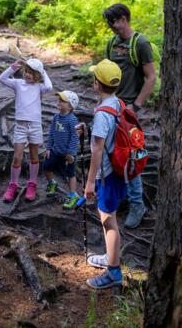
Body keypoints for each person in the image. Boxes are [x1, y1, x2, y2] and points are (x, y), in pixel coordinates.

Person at [103, 3, 156, 229]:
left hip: (130, 110)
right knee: (113, 153)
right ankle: (122, 195)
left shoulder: (140, 43)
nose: (112, 26)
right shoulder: (112, 44)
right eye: (109, 23)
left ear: (124, 18)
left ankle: (137, 204)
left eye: (114, 21)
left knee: (132, 155)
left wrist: (136, 105)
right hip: (112, 106)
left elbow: (151, 77)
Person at [79, 59, 126, 290]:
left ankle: (114, 272)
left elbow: (97, 149)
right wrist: (88, 131)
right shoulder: (117, 103)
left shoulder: (101, 114)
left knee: (108, 221)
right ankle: (110, 256)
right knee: (110, 217)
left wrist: (90, 183)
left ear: (97, 84)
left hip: (107, 175)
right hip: (119, 171)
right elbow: (108, 136)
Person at [0, 59, 53, 203]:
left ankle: (32, 184)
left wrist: (43, 72)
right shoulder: (18, 83)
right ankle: (13, 185)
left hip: (35, 126)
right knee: (17, 157)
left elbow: (49, 87)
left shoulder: (39, 87)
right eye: (27, 71)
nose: (28, 75)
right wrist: (13, 68)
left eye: (32, 73)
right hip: (20, 126)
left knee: (34, 157)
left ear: (38, 75)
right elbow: (2, 78)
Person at [43, 90, 80, 210]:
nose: (59, 102)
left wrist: (71, 153)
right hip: (55, 151)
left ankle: (73, 195)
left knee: (70, 174)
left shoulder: (72, 120)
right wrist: (49, 148)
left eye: (62, 101)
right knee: (46, 166)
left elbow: (75, 137)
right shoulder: (56, 117)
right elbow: (51, 133)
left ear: (70, 106)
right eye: (59, 99)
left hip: (67, 154)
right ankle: (52, 183)